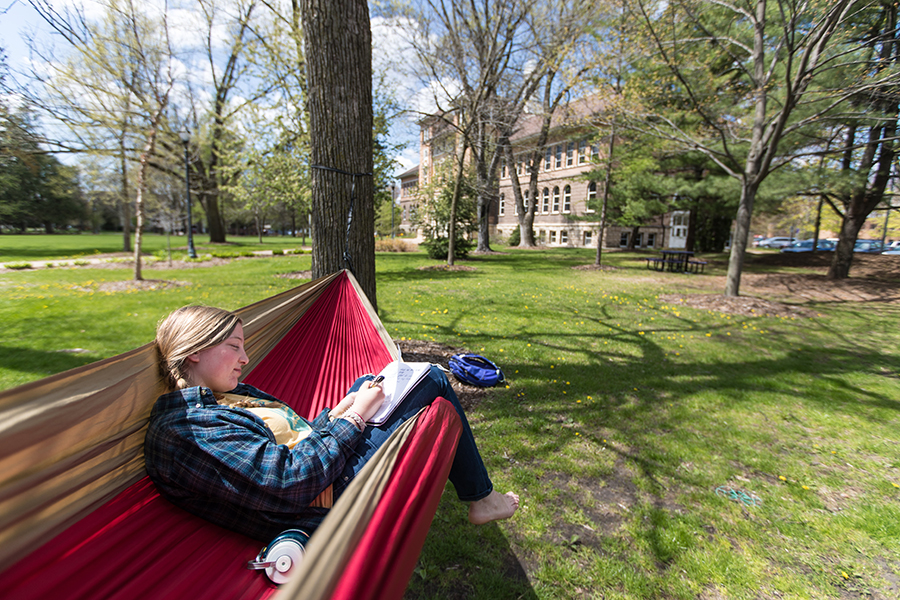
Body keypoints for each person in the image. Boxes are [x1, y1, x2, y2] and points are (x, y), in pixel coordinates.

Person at [144, 305, 519, 543]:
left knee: (369, 382)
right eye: (233, 346)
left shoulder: (223, 395)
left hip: (319, 472)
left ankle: (479, 494)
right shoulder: (189, 429)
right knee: (431, 379)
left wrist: (336, 413)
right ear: (194, 351)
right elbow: (289, 480)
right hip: (326, 499)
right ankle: (482, 498)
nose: (244, 357)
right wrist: (354, 419)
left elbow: (289, 437)